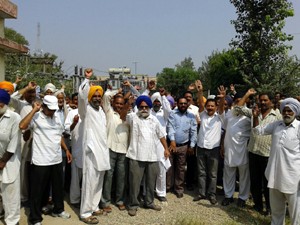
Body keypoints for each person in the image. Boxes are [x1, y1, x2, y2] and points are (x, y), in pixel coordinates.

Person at [19, 95, 72, 225]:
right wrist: (33, 111)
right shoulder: (36, 117)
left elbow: (58, 136)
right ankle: (35, 218)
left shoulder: (57, 118)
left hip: (56, 159)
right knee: (37, 191)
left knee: (58, 188)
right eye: (50, 109)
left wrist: (66, 150)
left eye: (54, 109)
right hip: (40, 160)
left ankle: (58, 209)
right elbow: (22, 126)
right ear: (43, 106)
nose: (53, 112)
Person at [253, 98, 300, 225]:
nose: (287, 113)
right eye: (284, 110)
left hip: (292, 178)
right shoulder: (276, 125)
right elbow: (258, 131)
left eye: (290, 111)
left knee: (296, 212)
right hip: (274, 175)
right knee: (276, 210)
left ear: (295, 112)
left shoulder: (299, 128)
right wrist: (255, 117)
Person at [234, 90, 281, 214]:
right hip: (253, 152)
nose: (263, 102)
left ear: (271, 102)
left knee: (267, 184)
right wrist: (247, 94)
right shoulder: (253, 112)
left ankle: (270, 208)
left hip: (268, 155)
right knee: (255, 182)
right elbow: (237, 108)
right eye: (261, 100)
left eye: (266, 100)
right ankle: (258, 205)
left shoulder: (277, 116)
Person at [126, 95, 170, 217]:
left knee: (151, 182)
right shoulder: (133, 118)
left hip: (152, 156)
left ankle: (149, 202)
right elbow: (123, 114)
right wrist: (128, 103)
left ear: (150, 107)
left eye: (146, 107)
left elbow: (161, 135)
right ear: (138, 107)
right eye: (141, 107)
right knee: (134, 182)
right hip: (136, 155)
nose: (144, 109)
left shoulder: (154, 120)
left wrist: (166, 149)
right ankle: (133, 205)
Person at [78, 69, 110, 224]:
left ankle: (95, 206)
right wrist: (86, 79)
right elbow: (82, 97)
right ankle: (85, 213)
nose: (97, 98)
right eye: (94, 96)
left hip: (102, 151)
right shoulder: (86, 110)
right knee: (90, 182)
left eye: (99, 96)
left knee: (98, 181)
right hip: (91, 152)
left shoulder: (101, 112)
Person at [194, 80, 225, 205]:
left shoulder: (220, 117)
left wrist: (222, 98)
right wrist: (200, 91)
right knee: (201, 172)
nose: (210, 108)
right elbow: (201, 103)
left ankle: (212, 194)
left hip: (214, 149)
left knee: (212, 174)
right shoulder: (202, 115)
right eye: (209, 106)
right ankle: (201, 193)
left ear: (216, 107)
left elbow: (222, 108)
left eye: (212, 106)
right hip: (201, 147)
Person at [100, 87, 130, 212]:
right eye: (117, 103)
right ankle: (105, 202)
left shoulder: (129, 115)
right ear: (113, 103)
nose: (119, 105)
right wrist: (117, 91)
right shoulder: (109, 112)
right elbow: (106, 96)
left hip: (123, 150)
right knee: (108, 177)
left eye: (121, 104)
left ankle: (120, 200)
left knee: (121, 177)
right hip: (110, 148)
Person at [221, 91, 252, 208]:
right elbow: (225, 131)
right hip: (229, 148)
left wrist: (247, 94)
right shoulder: (231, 113)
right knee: (228, 173)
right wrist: (222, 146)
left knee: (244, 175)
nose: (238, 103)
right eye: (236, 101)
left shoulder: (250, 115)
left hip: (243, 149)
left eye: (241, 100)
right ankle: (228, 196)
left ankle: (242, 198)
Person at [166, 97, 197, 198]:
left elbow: (193, 132)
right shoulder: (172, 114)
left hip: (184, 146)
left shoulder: (192, 116)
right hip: (172, 145)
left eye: (184, 103)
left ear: (187, 104)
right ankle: (168, 186)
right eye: (181, 103)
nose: (183, 105)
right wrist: (172, 140)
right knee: (169, 167)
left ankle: (179, 188)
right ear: (177, 104)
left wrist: (192, 146)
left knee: (181, 168)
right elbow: (170, 127)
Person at [0, 89, 21, 225]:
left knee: (10, 193)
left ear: (2, 104)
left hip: (9, 161)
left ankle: (12, 221)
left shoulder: (14, 117)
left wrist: (3, 161)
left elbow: (13, 142)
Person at [150, 90, 172, 202]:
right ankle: (147, 191)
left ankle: (161, 192)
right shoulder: (148, 112)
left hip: (161, 144)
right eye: (155, 101)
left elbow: (168, 109)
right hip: (149, 142)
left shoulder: (164, 114)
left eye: (159, 102)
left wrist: (163, 96)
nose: (157, 103)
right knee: (148, 168)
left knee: (161, 168)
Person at [64, 104, 82, 209]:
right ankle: (74, 200)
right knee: (76, 177)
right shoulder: (73, 113)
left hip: (90, 150)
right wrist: (74, 123)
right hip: (77, 149)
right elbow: (66, 130)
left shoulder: (94, 112)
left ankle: (86, 199)